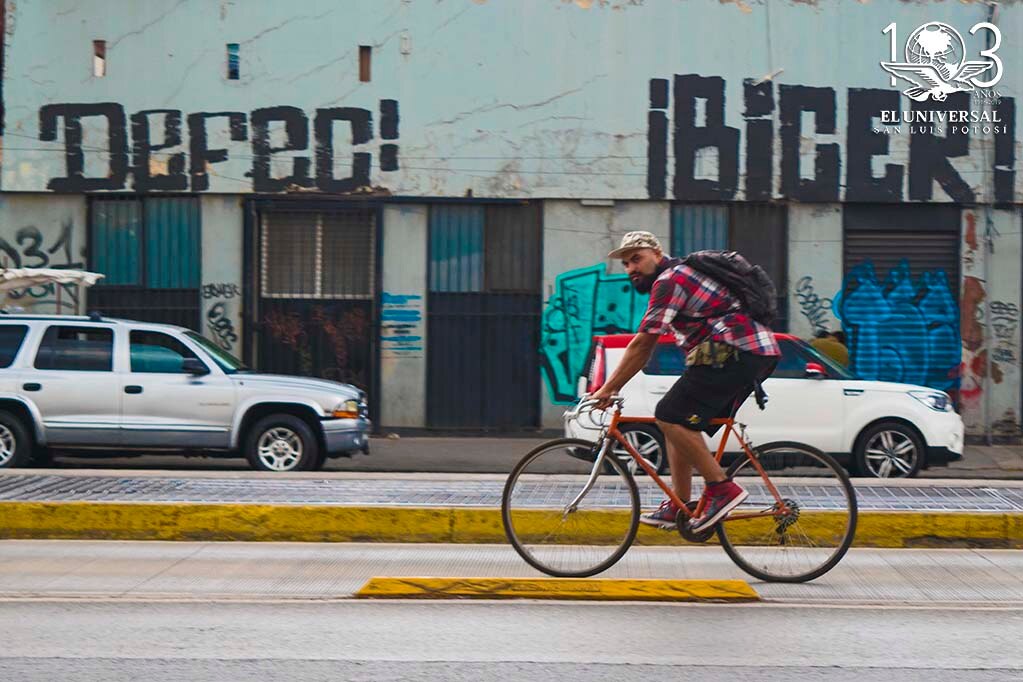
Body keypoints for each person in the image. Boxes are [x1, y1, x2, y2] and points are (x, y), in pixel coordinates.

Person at [589, 231, 780, 534]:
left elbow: (644, 343)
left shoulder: (670, 280)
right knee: (675, 420)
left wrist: (609, 388)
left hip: (737, 351)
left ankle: (721, 489)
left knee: (668, 414)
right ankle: (680, 504)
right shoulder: (678, 276)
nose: (631, 269)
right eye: (626, 264)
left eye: (636, 259)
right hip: (743, 353)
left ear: (657, 253)